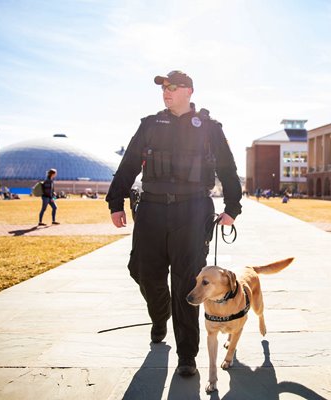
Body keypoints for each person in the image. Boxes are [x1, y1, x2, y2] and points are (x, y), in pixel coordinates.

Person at [106, 70, 242, 377]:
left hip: (193, 211)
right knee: (142, 272)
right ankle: (159, 315)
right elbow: (128, 164)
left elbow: (228, 169)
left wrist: (233, 207)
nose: (166, 92)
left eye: (172, 87)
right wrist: (115, 202)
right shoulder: (150, 125)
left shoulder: (210, 128)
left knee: (186, 284)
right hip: (152, 208)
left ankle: (187, 356)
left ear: (189, 91)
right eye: (163, 87)